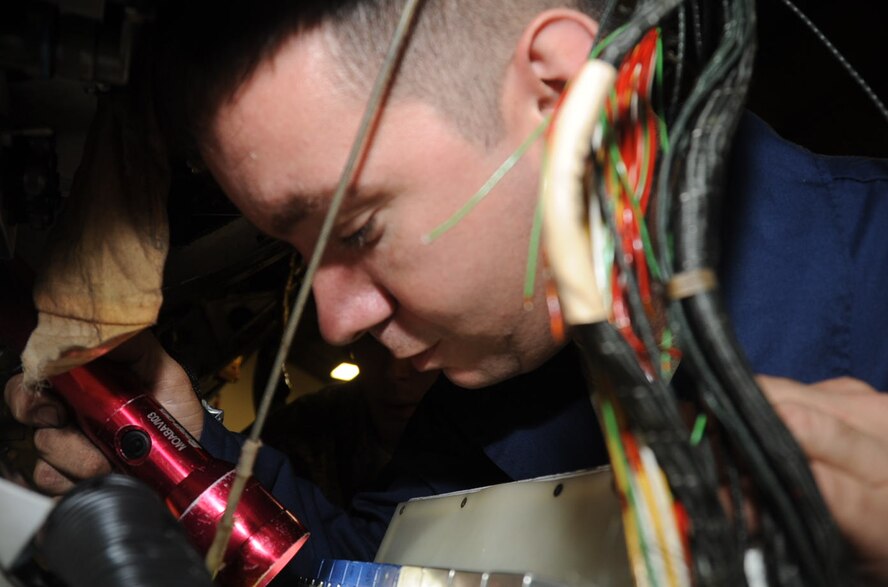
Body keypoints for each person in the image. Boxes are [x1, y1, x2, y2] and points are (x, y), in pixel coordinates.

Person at [4, 0, 888, 581]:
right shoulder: (504, 377)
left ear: (560, 95)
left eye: (357, 230)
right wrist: (187, 443)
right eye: (299, 252)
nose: (338, 320)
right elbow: (360, 564)